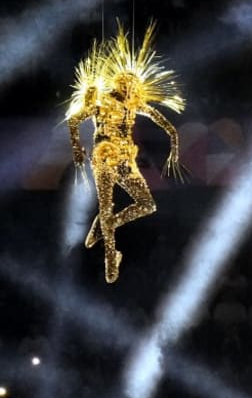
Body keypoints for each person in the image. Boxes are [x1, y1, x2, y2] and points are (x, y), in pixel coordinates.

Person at [67, 22, 184, 282]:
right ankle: (111, 258)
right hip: (105, 155)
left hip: (123, 158)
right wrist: (77, 148)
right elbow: (75, 120)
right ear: (120, 84)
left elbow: (165, 124)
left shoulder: (135, 105)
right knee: (108, 206)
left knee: (146, 204)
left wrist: (174, 144)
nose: (131, 90)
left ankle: (102, 226)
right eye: (127, 85)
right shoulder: (103, 101)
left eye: (134, 87)